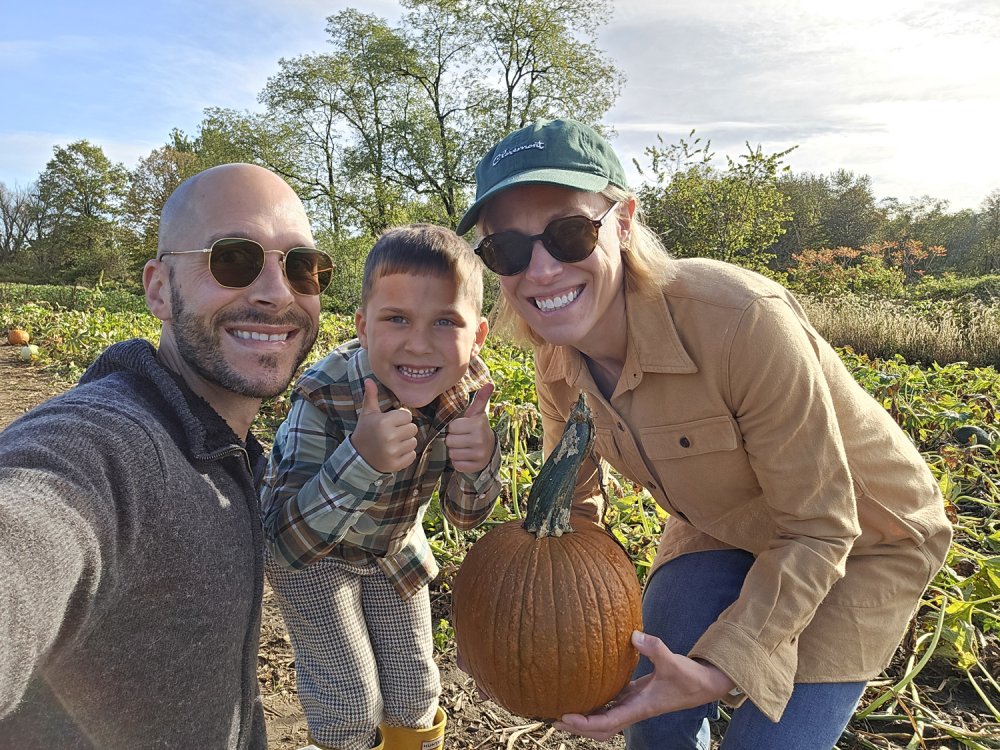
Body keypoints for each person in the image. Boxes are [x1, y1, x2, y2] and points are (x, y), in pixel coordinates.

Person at [455, 118, 953, 749]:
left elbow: (822, 527)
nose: (543, 270)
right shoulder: (557, 363)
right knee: (655, 726)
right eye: (508, 250)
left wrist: (720, 669)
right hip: (722, 525)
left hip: (863, 543)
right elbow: (573, 508)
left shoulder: (742, 322)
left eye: (570, 233)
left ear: (624, 221)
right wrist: (512, 623)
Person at [0, 163, 332, 749]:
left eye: (301, 267)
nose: (278, 292)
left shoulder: (225, 450)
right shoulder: (108, 444)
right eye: (234, 259)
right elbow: (34, 514)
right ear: (158, 289)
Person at [261, 223, 501, 750]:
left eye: (445, 321)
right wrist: (361, 461)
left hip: (392, 546)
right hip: (314, 560)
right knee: (350, 701)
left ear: (477, 335)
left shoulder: (470, 397)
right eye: (397, 319)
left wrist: (479, 463)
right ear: (364, 327)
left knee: (416, 691)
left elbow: (464, 517)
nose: (419, 343)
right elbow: (284, 543)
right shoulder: (324, 394)